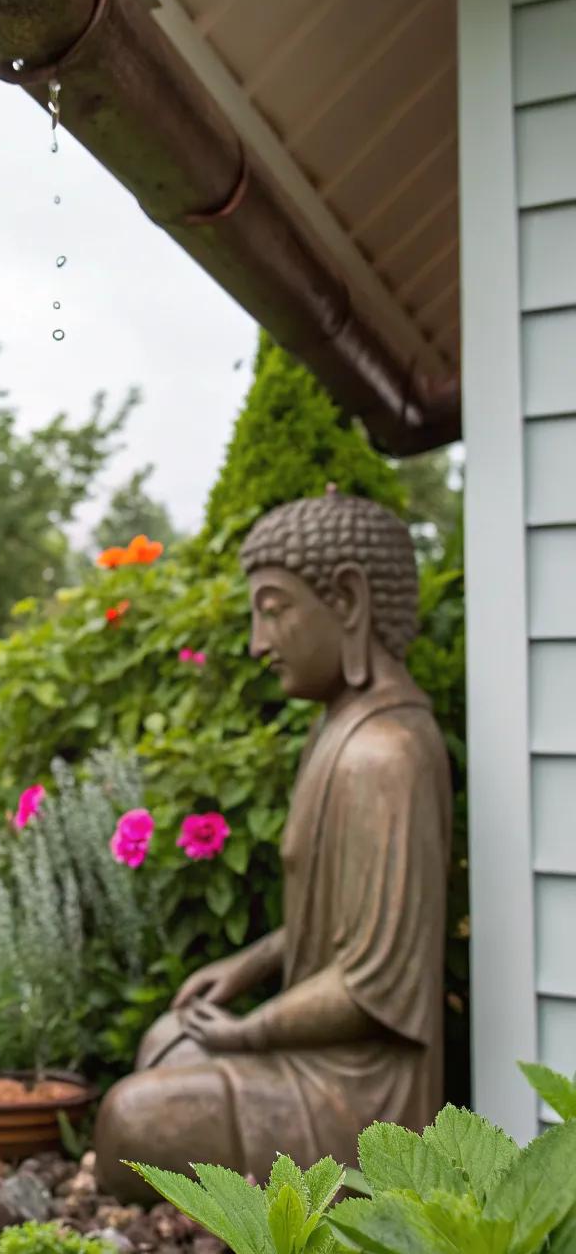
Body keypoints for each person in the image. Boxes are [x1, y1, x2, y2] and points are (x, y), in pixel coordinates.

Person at [94, 489, 452, 1195]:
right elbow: (344, 922)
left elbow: (375, 985)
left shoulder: (386, 754)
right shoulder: (342, 732)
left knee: (130, 1120)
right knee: (164, 1043)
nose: (259, 642)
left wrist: (248, 1031)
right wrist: (250, 964)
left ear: (348, 599)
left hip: (366, 1094)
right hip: (320, 1057)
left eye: (275, 609)